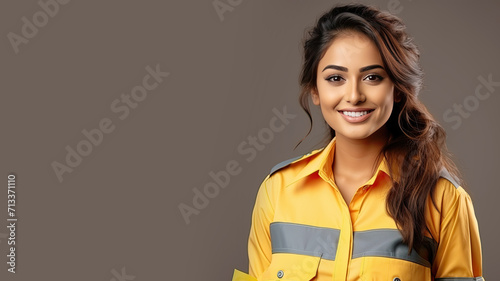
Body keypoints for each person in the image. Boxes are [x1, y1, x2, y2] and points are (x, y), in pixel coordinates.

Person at [232, 3, 484, 281]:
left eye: (372, 77)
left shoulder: (444, 199)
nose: (353, 95)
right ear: (315, 90)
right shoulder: (277, 191)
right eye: (335, 78)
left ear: (398, 90)